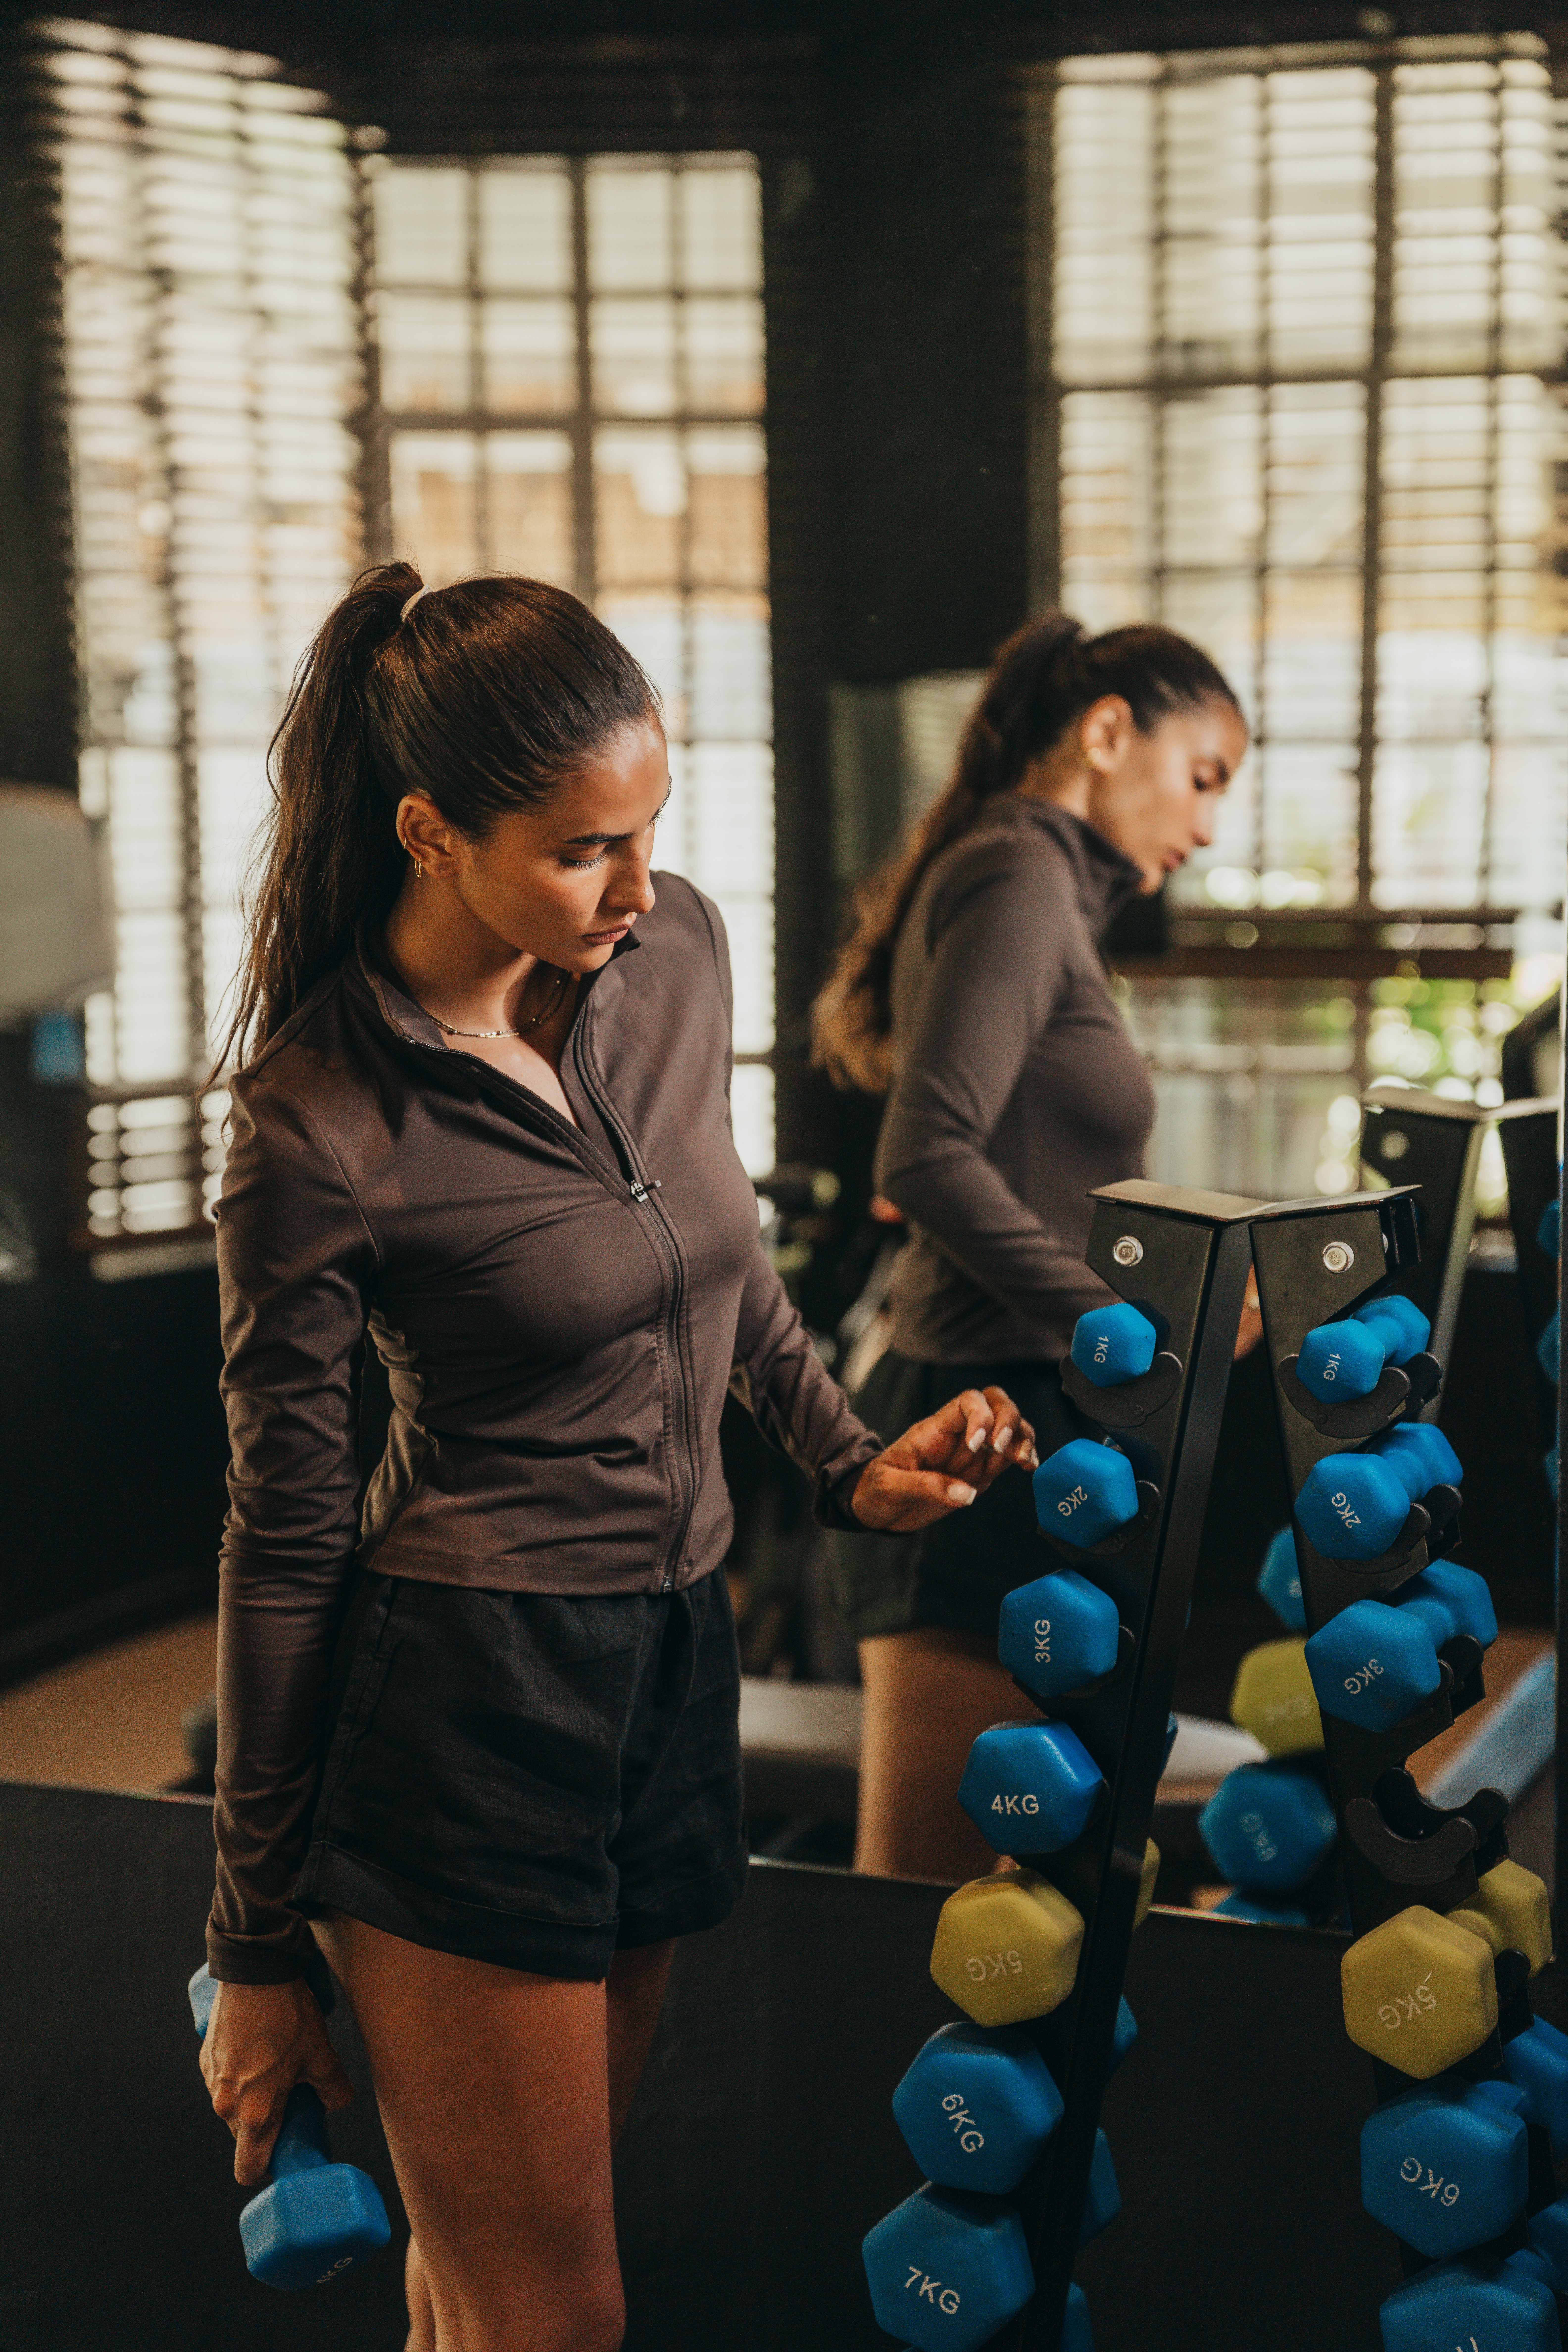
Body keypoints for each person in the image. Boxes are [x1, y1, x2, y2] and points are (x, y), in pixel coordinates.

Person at [196, 564, 1037, 2352]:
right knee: (553, 2315)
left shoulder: (668, 957)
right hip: (463, 1704)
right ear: (429, 831)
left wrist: (842, 1459)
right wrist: (256, 1944)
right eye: (585, 847)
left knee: (487, 2284)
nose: (638, 884)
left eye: (653, 825)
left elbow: (714, 1262)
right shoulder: (320, 1121)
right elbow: (280, 1544)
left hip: (668, 1661)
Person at [814, 613, 1255, 1883]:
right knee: (927, 1914)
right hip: (977, 1429)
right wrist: (1130, 1328)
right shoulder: (1018, 871)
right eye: (1204, 776)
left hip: (1036, 1415)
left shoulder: (1048, 887)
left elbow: (1036, 1171)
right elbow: (927, 1153)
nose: (1210, 826)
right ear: (1110, 731)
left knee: (1013, 1918)